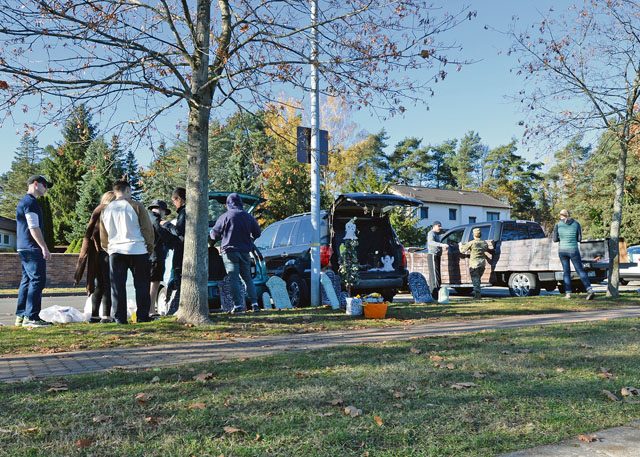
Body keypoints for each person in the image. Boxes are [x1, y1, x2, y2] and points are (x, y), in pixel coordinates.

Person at [99, 180, 155, 323]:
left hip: (116, 250)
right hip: (137, 249)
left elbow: (103, 233)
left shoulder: (106, 209)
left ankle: (120, 317)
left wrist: (107, 248)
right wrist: (149, 246)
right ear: (128, 190)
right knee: (142, 285)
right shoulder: (136, 206)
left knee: (117, 287)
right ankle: (142, 316)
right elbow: (147, 228)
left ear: (115, 191)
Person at [210, 193, 261, 313]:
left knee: (234, 279)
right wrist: (249, 240)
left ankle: (238, 305)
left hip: (230, 252)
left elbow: (214, 235)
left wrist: (212, 232)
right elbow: (257, 233)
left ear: (228, 203)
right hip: (245, 252)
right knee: (247, 278)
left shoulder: (225, 216)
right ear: (241, 203)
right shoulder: (248, 217)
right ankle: (254, 303)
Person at [15, 175, 54, 328]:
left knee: (27, 281)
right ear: (36, 184)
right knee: (38, 280)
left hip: (23, 247)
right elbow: (33, 227)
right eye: (45, 185)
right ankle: (31, 317)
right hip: (32, 248)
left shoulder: (24, 202)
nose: (46, 189)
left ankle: (21, 316)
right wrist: (43, 247)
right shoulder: (31, 203)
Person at [74, 191, 116, 323]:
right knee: (108, 284)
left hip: (96, 254)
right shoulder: (107, 211)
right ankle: (106, 315)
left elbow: (90, 233)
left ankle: (95, 314)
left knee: (99, 285)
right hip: (106, 252)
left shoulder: (97, 210)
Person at [553, 209, 595, 300]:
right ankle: (589, 290)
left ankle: (568, 294)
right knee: (580, 270)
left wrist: (562, 237)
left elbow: (555, 239)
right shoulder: (576, 224)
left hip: (563, 251)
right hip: (574, 250)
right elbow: (579, 239)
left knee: (566, 272)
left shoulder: (558, 225)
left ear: (561, 215)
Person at [156, 187, 185, 315]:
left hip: (181, 251)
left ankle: (177, 307)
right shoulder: (187, 212)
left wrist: (166, 224)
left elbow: (178, 231)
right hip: (181, 249)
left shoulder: (184, 212)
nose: (174, 204)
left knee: (179, 277)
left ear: (179, 199)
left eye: (174, 201)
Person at [147, 199, 171, 312]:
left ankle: (148, 309)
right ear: (161, 210)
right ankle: (151, 309)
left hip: (147, 255)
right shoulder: (155, 219)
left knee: (149, 283)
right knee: (154, 283)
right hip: (155, 256)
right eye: (164, 212)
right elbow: (162, 234)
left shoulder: (146, 218)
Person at [460, 228, 491, 299]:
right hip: (482, 264)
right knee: (478, 279)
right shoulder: (484, 243)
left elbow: (462, 250)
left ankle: (477, 295)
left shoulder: (471, 243)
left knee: (475, 279)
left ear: (473, 235)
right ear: (481, 234)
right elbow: (485, 250)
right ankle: (478, 294)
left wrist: (460, 245)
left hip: (474, 264)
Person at [426, 221, 448, 286]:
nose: (440, 227)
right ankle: (435, 290)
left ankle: (434, 292)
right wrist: (442, 245)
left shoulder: (437, 234)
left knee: (436, 273)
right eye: (439, 226)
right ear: (434, 226)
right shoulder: (431, 233)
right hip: (432, 255)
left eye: (440, 226)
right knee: (435, 275)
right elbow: (430, 242)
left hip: (437, 255)